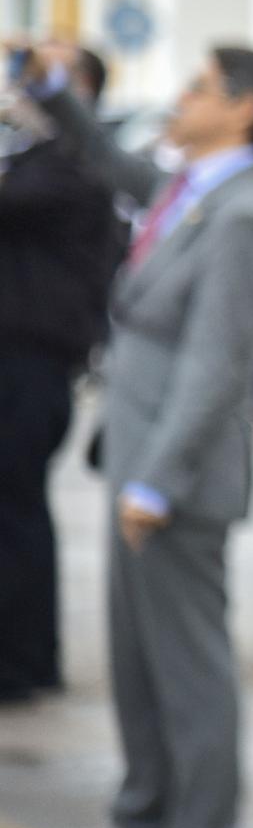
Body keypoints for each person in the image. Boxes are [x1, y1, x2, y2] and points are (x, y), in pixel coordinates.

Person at [36, 47, 253, 828]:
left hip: (170, 476)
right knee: (138, 666)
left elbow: (219, 364)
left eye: (197, 89)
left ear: (245, 109)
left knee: (188, 673)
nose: (179, 100)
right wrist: (52, 94)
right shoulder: (191, 188)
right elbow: (111, 162)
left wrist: (158, 481)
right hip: (138, 461)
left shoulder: (242, 213)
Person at [0, 59, 119, 702]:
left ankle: (23, 665)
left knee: (16, 513)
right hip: (24, 359)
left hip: (32, 363)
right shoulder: (44, 156)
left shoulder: (69, 164)